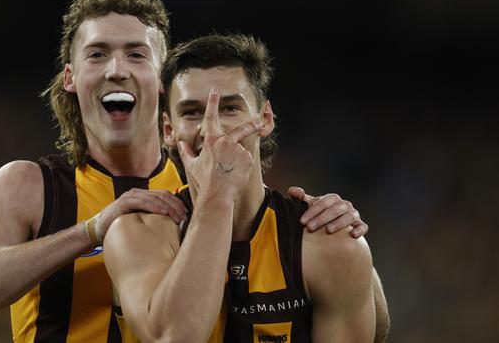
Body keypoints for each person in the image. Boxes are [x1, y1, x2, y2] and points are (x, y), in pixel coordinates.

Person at [0, 0, 371, 342]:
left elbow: (362, 315)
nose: (117, 68)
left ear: (161, 80)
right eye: (97, 54)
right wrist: (90, 231)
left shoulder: (202, 183)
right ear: (71, 77)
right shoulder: (31, 186)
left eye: (136, 53)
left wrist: (337, 229)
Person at [104, 34, 390, 342]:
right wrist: (219, 196)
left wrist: (358, 259)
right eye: (192, 112)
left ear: (264, 119)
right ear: (169, 131)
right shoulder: (135, 232)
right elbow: (173, 337)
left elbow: (378, 328)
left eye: (229, 108)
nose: (212, 129)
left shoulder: (328, 244)